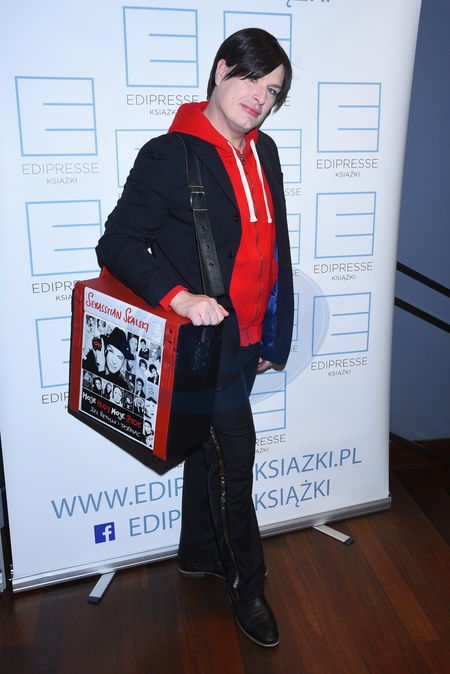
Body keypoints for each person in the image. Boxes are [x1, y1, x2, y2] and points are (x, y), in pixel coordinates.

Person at [96, 27, 294, 648]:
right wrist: (179, 297)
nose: (260, 97)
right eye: (252, 79)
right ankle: (249, 588)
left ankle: (200, 554)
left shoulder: (265, 152)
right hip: (203, 343)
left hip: (246, 338)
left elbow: (274, 249)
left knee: (211, 456)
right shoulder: (170, 153)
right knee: (237, 460)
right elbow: (118, 242)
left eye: (273, 91)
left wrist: (273, 336)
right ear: (220, 70)